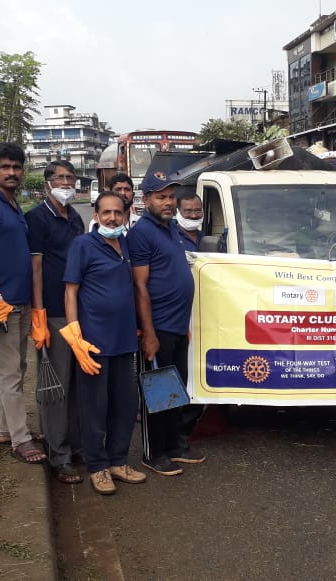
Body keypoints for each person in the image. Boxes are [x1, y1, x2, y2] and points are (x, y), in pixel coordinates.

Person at [62, 191, 147, 494]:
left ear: (125, 215)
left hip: (125, 340)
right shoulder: (83, 245)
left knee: (125, 404)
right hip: (94, 342)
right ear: (95, 216)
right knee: (94, 407)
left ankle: (118, 461)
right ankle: (98, 467)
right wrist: (75, 335)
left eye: (118, 213)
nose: (112, 218)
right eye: (106, 212)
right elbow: (71, 291)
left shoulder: (125, 244)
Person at [0, 142, 45, 464]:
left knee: (18, 368)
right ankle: (21, 439)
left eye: (16, 167)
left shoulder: (13, 204)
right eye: (5, 167)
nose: (12, 172)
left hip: (21, 299)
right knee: (9, 373)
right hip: (2, 302)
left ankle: (5, 429)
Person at [128, 171, 202, 476]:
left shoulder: (171, 228)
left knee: (176, 389)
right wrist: (148, 333)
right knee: (157, 392)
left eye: (171, 196)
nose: (168, 202)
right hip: (156, 327)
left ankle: (173, 444)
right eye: (161, 197)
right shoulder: (141, 233)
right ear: (146, 200)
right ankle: (152, 452)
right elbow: (140, 287)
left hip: (176, 326)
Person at [25, 160, 88, 483]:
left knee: (77, 383)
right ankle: (58, 453)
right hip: (52, 311)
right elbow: (36, 268)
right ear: (47, 184)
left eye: (70, 178)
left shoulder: (75, 217)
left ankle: (76, 445)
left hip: (78, 309)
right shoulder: (36, 218)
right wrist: (38, 313)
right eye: (59, 178)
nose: (66, 183)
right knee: (55, 386)